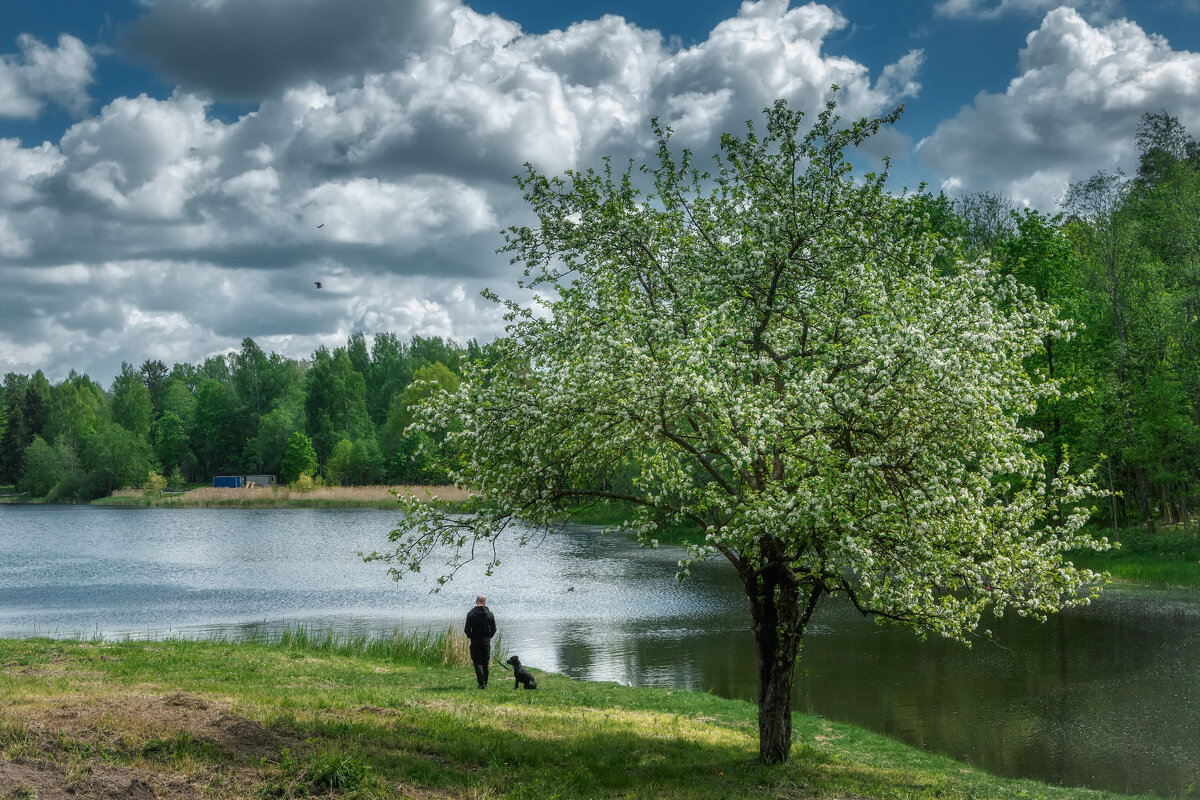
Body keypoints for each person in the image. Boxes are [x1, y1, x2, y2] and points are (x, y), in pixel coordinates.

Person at [464, 594, 497, 689]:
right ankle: (484, 683)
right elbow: (494, 629)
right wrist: (488, 637)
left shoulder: (471, 614)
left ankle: (481, 684)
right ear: (485, 602)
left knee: (477, 663)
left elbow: (467, 629)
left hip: (475, 642)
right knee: (485, 663)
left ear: (476, 602)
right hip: (486, 642)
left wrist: (471, 637)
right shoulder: (490, 614)